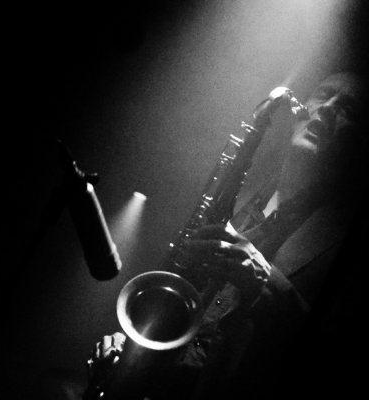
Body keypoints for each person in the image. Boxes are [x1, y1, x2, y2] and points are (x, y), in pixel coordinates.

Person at [85, 72, 368, 400]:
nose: (328, 108)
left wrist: (267, 283)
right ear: (301, 108)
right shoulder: (235, 194)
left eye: (347, 108)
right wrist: (134, 343)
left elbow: (332, 356)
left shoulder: (348, 244)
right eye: (324, 94)